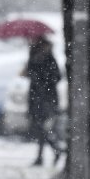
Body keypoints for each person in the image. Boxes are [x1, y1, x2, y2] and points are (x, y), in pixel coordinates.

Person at [24, 37, 62, 166]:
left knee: (44, 128)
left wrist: (42, 79)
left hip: (46, 99)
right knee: (40, 128)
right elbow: (30, 73)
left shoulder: (49, 60)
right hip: (37, 98)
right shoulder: (33, 58)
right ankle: (53, 151)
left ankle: (49, 153)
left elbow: (56, 77)